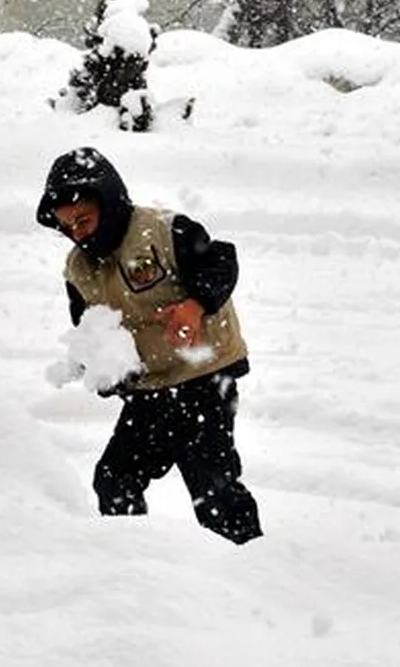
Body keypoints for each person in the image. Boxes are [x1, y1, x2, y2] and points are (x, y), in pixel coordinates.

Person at [36, 146, 263, 545]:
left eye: (84, 220)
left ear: (109, 203)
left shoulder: (161, 230)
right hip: (149, 392)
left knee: (213, 489)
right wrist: (104, 368)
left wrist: (194, 307)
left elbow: (221, 262)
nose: (78, 233)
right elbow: (91, 329)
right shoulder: (78, 268)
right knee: (114, 478)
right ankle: (134, 561)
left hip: (203, 379)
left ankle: (250, 566)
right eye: (67, 227)